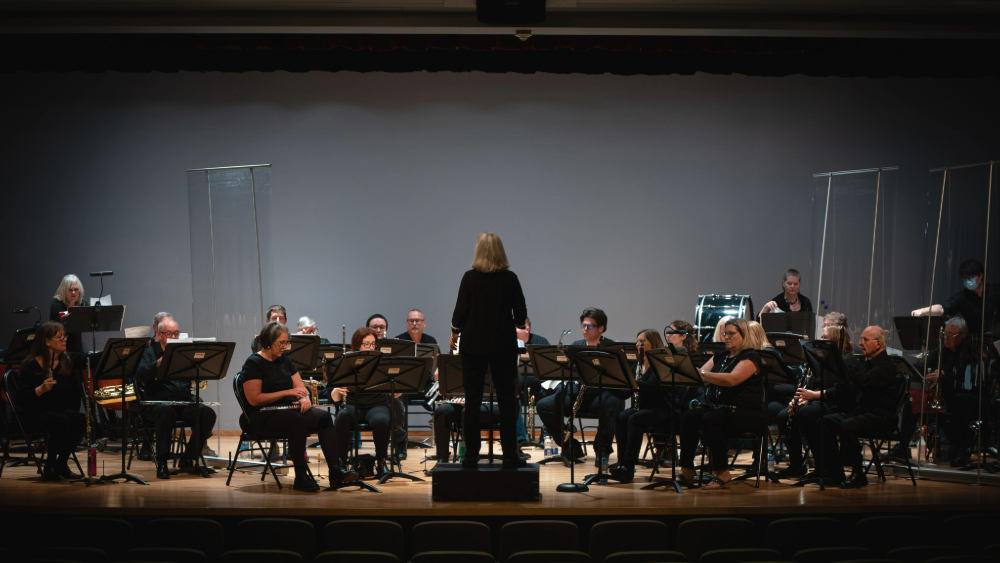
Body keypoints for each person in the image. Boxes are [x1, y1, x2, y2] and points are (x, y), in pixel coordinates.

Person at [241, 321, 357, 491]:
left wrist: (304, 399)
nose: (285, 347)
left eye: (286, 342)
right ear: (268, 341)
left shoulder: (284, 360)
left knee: (323, 417)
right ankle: (301, 476)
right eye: (281, 342)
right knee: (295, 420)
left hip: (286, 411)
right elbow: (254, 399)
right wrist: (286, 393)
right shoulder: (254, 363)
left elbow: (300, 388)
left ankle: (335, 471)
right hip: (260, 416)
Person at [449, 232, 528, 469]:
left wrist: (455, 333)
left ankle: (471, 456)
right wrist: (514, 321)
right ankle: (510, 455)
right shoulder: (510, 278)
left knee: (472, 400)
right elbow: (521, 317)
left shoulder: (469, 278)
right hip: (503, 345)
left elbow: (459, 312)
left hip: (473, 345)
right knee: (507, 400)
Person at [797, 326, 897, 488]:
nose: (860, 343)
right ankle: (834, 471)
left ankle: (858, 474)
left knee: (848, 425)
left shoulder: (885, 365)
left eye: (865, 340)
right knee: (825, 421)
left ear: (878, 344)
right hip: (862, 413)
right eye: (861, 339)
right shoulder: (867, 363)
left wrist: (840, 366)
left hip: (880, 417)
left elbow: (864, 382)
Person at [676, 318, 768, 489]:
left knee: (711, 419)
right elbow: (699, 375)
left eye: (731, 334)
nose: (726, 337)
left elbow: (732, 379)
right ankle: (687, 470)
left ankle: (723, 473)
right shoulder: (721, 355)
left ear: (744, 335)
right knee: (689, 417)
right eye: (725, 333)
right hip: (722, 410)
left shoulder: (751, 357)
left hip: (748, 413)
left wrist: (701, 374)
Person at [536, 307, 628, 465]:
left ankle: (602, 450)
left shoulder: (610, 347)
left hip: (599, 394)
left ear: (601, 328)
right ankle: (569, 445)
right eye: (583, 325)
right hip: (577, 393)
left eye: (590, 326)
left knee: (613, 402)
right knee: (544, 405)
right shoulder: (576, 345)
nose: (585, 329)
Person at [135, 316, 217, 479]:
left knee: (208, 413)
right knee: (166, 412)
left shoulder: (184, 354)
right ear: (159, 334)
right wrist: (157, 364)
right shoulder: (149, 353)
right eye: (169, 334)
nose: (173, 337)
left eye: (176, 334)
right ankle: (163, 462)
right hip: (156, 406)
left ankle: (188, 458)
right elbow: (138, 375)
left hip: (182, 403)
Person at [774, 324, 852, 477]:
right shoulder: (819, 359)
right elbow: (810, 385)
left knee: (807, 413)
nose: (821, 340)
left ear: (835, 340)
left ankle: (822, 466)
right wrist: (800, 399)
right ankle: (797, 464)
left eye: (825, 337)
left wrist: (811, 397)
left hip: (835, 403)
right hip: (817, 401)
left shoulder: (847, 360)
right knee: (784, 415)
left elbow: (842, 392)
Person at [13, 321, 86, 481]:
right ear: (46, 341)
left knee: (80, 419)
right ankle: (49, 466)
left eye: (64, 336)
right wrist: (40, 389)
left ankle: (61, 463)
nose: (64, 339)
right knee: (61, 420)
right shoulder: (30, 365)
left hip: (57, 411)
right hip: (32, 413)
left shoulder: (67, 361)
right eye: (59, 337)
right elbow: (20, 399)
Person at [917, 317, 989, 467]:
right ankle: (902, 446)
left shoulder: (970, 355)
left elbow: (969, 387)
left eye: (951, 334)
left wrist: (943, 379)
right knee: (913, 398)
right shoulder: (940, 351)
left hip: (968, 400)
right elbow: (922, 366)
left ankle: (962, 448)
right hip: (947, 397)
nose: (946, 337)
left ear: (962, 336)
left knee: (959, 399)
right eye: (945, 334)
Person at [334, 327, 404, 475]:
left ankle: (381, 462)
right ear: (358, 344)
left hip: (377, 404)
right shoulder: (348, 361)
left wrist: (396, 391)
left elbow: (393, 391)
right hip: (353, 405)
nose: (371, 347)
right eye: (367, 344)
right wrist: (336, 391)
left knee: (381, 420)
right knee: (341, 417)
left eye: (373, 344)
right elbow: (335, 398)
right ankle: (340, 463)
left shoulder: (382, 361)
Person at [609, 329, 672, 483]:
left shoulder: (661, 363)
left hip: (663, 410)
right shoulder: (637, 365)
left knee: (635, 419)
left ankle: (629, 467)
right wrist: (610, 385)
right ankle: (622, 462)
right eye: (637, 341)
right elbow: (625, 393)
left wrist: (629, 382)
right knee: (622, 417)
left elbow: (651, 386)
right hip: (644, 409)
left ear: (654, 343)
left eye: (642, 341)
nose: (638, 344)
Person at [912, 258, 998, 339]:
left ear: (981, 275)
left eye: (970, 277)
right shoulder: (963, 297)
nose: (967, 280)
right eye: (965, 278)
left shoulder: (996, 291)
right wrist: (924, 311)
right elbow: (943, 308)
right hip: (976, 342)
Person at [50, 274, 85, 355]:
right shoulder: (57, 303)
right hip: (59, 348)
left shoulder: (81, 303)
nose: (73, 292)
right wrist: (72, 306)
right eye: (70, 290)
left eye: (76, 289)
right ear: (64, 290)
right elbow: (63, 326)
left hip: (77, 347)